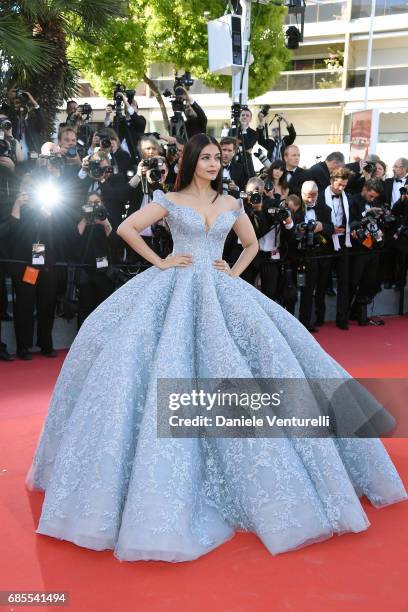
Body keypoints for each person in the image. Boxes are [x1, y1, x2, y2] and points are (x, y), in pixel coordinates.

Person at [26, 133, 407, 563]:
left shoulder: (231, 203)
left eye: (216, 158)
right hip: (175, 286)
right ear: (190, 161)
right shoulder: (168, 199)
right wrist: (163, 260)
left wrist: (234, 273)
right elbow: (127, 228)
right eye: (205, 157)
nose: (213, 163)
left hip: (221, 287)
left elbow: (249, 245)